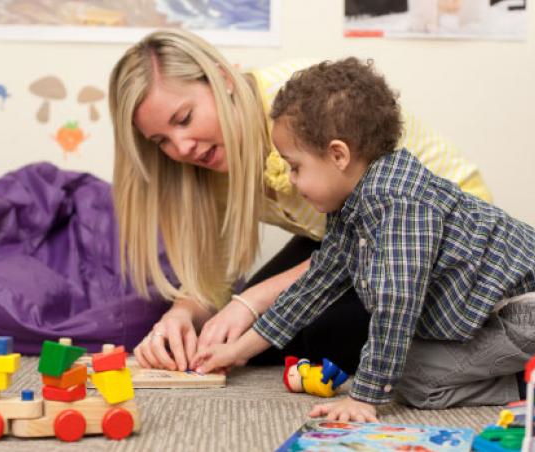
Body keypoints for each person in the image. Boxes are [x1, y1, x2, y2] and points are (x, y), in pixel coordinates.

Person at [193, 58, 535, 421]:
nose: (291, 180)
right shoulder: (353, 205)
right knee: (386, 355)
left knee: (410, 378)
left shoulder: (396, 204)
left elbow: (397, 301)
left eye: (296, 167)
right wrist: (239, 350)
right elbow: (315, 285)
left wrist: (365, 397)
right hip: (495, 311)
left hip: (525, 318)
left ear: (338, 155)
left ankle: (531, 380)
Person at [108, 29, 493, 375]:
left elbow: (383, 230)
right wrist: (182, 314)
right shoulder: (206, 162)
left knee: (320, 333)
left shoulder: (304, 106)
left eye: (184, 118)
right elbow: (213, 276)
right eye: (161, 141)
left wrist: (255, 299)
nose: (181, 148)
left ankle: (464, 343)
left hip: (424, 231)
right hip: (345, 237)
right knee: (248, 336)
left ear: (222, 79)